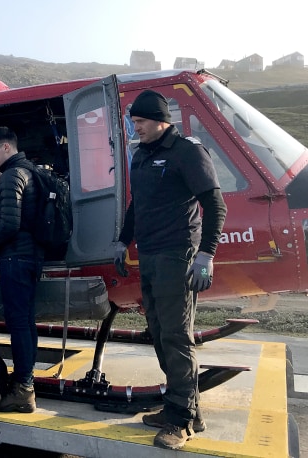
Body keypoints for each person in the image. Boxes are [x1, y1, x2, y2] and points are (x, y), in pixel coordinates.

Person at [115, 89, 227, 451]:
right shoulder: (142, 156)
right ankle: (184, 408)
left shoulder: (187, 152)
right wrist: (123, 241)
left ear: (161, 121)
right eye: (133, 122)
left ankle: (180, 422)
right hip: (149, 256)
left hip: (178, 256)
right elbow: (137, 205)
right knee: (160, 333)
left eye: (141, 122)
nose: (136, 128)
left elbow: (215, 204)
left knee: (177, 336)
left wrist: (206, 255)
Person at [0, 126, 44, 413]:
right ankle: (26, 383)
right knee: (27, 323)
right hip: (33, 256)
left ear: (6, 147)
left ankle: (23, 390)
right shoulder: (31, 171)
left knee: (18, 324)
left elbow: (10, 224)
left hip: (15, 258)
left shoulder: (12, 176)